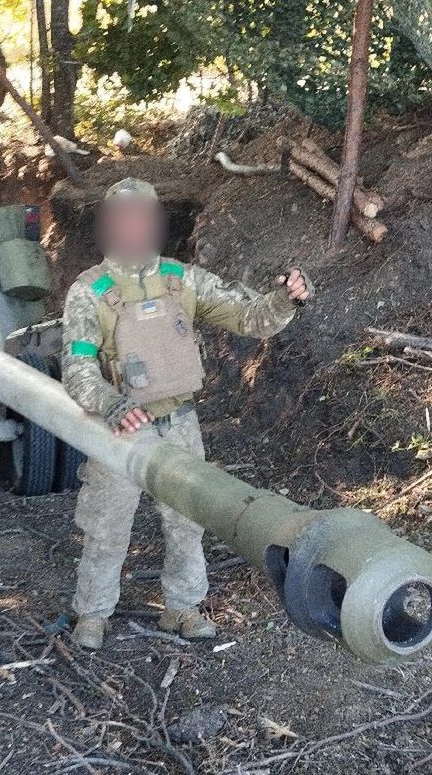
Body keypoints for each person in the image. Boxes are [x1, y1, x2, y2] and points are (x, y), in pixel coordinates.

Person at [61, 177, 311, 650]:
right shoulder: (89, 291)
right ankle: (92, 614)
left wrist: (285, 299)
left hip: (178, 422)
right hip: (118, 429)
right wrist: (113, 404)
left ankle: (183, 606)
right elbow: (76, 368)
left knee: (186, 521)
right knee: (107, 524)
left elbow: (252, 318)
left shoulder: (183, 279)